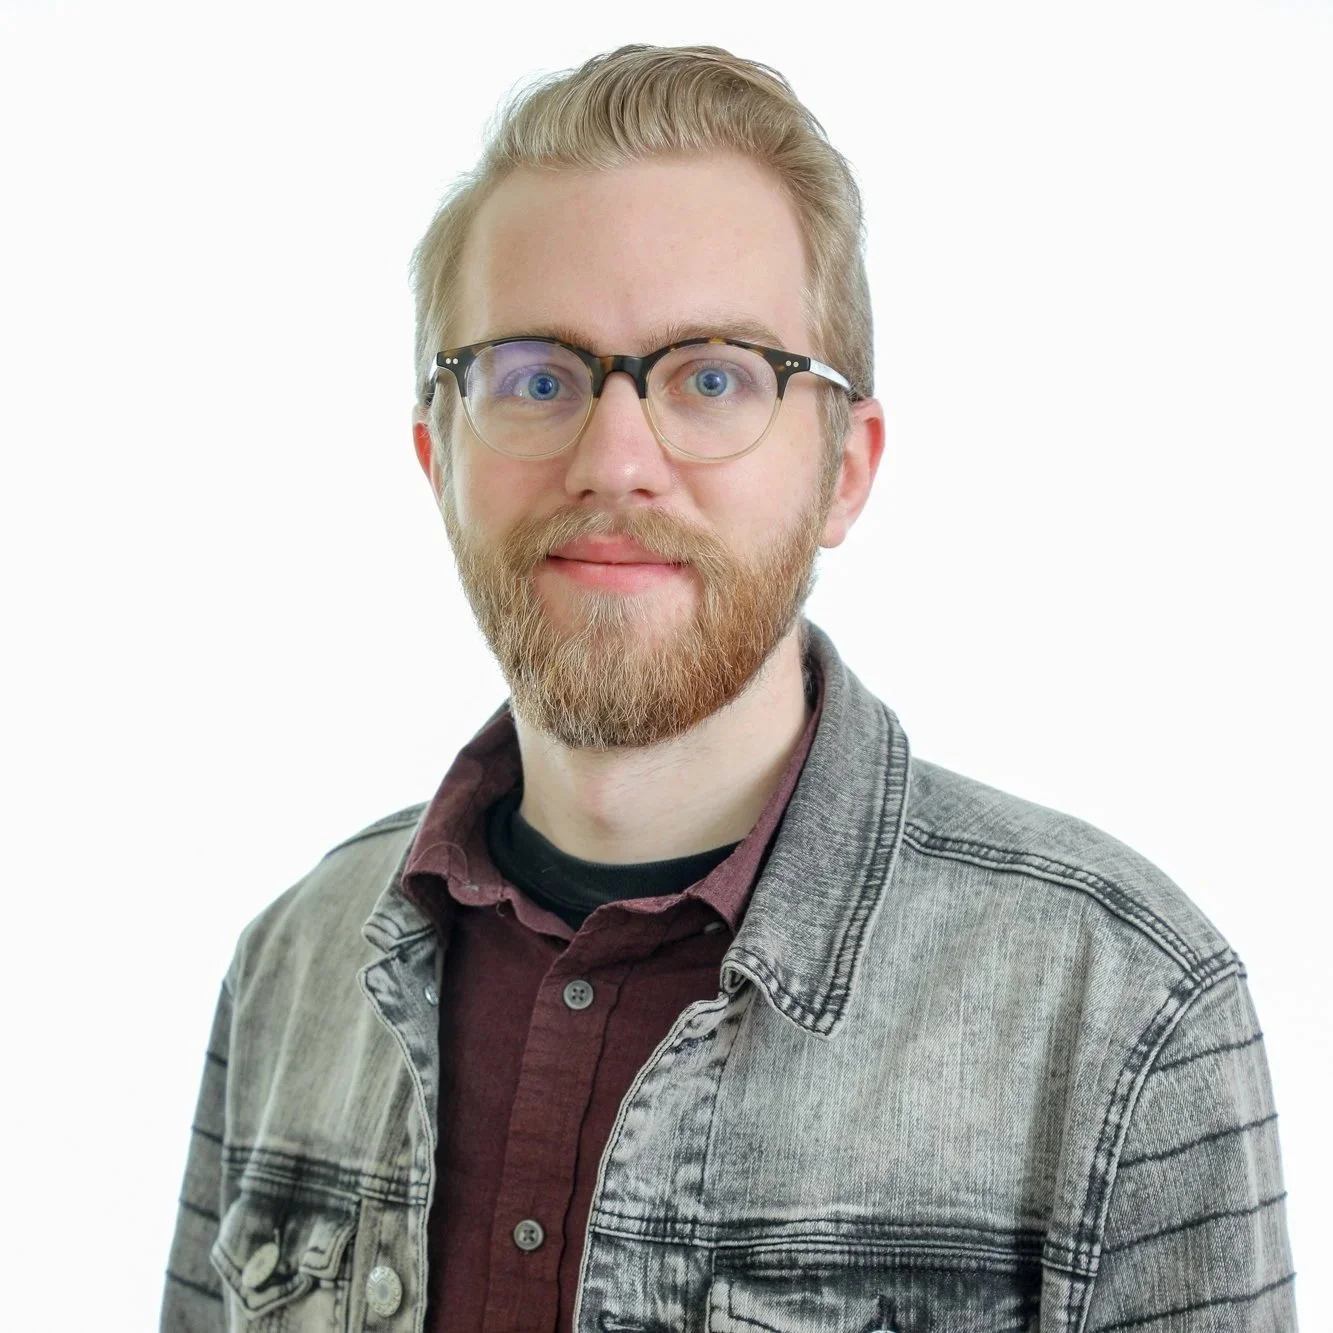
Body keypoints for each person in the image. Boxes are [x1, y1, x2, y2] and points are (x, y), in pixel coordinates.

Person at [161, 43, 1296, 1333]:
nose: (616, 459)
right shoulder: (292, 967)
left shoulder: (1120, 1006)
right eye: (537, 377)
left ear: (846, 470)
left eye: (713, 378)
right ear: (439, 458)